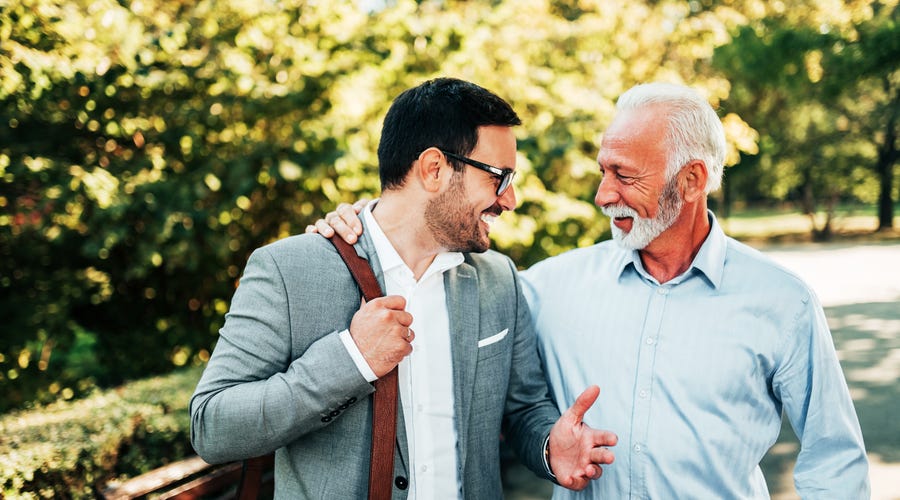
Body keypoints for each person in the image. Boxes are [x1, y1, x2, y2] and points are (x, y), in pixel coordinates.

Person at [312, 82, 870, 498]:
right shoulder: (544, 288)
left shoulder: (782, 303)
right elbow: (426, 268)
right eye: (604, 171)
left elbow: (835, 461)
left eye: (624, 175)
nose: (603, 195)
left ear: (691, 180)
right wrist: (368, 223)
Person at [190, 77, 618, 499]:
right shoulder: (290, 271)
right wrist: (351, 359)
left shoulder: (498, 278)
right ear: (434, 169)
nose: (510, 200)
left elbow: (524, 408)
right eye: (499, 178)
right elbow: (212, 426)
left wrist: (549, 447)